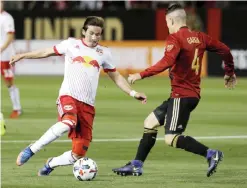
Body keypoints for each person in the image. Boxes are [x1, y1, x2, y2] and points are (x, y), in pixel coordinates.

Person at [10, 16, 147, 176]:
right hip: (68, 96)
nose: (95, 37)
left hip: (87, 106)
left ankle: (50, 163)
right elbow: (46, 52)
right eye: (91, 33)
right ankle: (32, 149)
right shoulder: (71, 45)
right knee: (68, 122)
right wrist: (23, 55)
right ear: (83, 31)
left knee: (78, 153)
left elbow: (116, 76)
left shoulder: (104, 53)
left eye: (98, 34)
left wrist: (133, 93)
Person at [112, 3, 237, 178]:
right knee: (150, 123)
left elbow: (167, 61)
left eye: (167, 22)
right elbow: (225, 50)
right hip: (187, 95)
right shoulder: (199, 37)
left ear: (171, 20)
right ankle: (136, 165)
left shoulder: (175, 38)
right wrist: (229, 72)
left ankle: (211, 154)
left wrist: (141, 75)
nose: (167, 26)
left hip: (182, 96)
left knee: (171, 138)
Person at [0, 0, 22, 118]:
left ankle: (17, 108)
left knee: (9, 81)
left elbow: (10, 36)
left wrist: (1, 49)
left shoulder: (7, 18)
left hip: (5, 56)